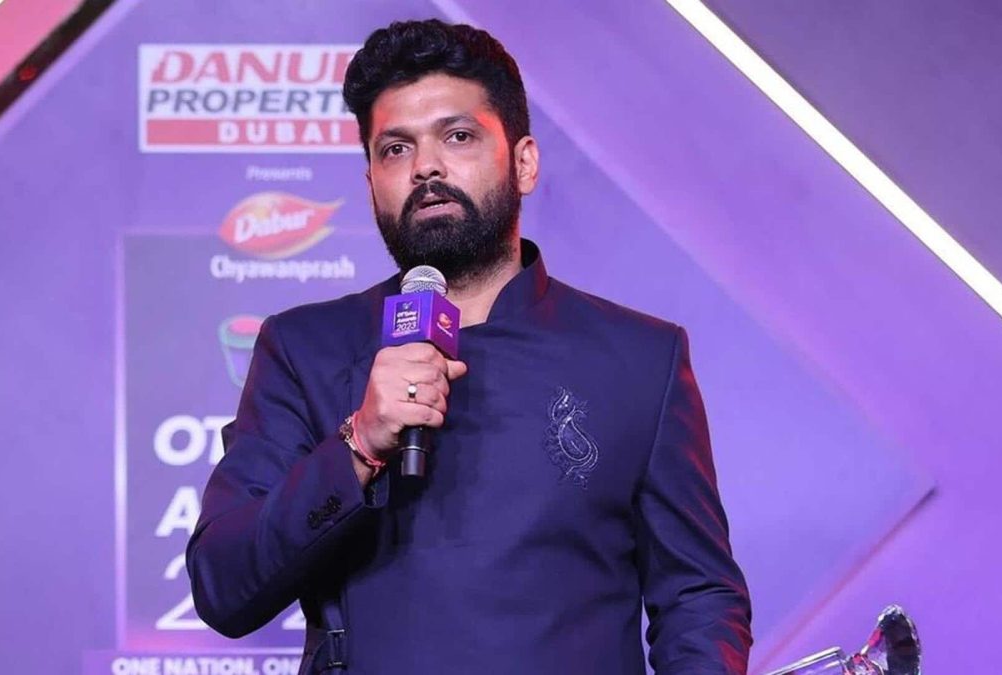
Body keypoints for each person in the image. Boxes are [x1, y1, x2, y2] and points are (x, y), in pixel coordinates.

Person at [187, 18, 752, 674]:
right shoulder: (304, 349)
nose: (425, 166)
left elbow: (699, 597)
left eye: (457, 136)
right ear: (370, 184)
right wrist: (358, 445)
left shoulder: (640, 357)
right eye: (395, 149)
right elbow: (223, 585)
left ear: (524, 162)